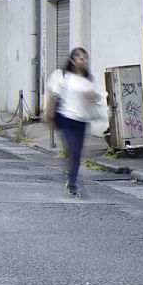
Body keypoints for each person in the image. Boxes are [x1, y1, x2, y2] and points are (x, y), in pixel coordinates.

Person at [44, 48, 104, 198]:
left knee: (77, 154)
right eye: (80, 58)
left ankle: (72, 180)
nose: (83, 61)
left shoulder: (88, 78)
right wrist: (48, 113)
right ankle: (72, 183)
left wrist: (94, 96)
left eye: (85, 58)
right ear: (72, 60)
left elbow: (96, 96)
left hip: (81, 120)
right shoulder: (62, 76)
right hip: (66, 118)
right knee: (74, 150)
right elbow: (54, 96)